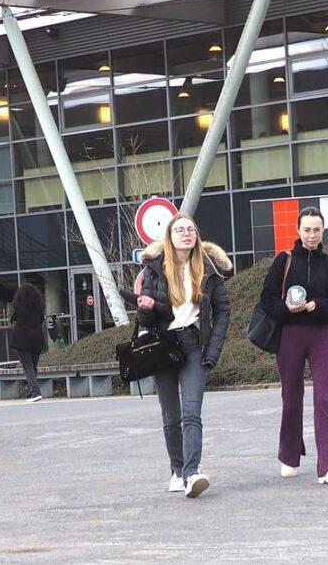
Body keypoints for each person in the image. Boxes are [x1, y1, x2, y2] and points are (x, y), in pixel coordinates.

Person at [137, 213, 231, 498]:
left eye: (191, 229)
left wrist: (212, 351)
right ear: (170, 236)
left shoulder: (209, 268)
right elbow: (144, 318)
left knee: (192, 413)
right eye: (180, 229)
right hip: (163, 345)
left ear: (196, 235)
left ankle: (192, 473)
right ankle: (177, 471)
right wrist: (146, 307)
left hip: (193, 346)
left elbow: (223, 310)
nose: (186, 233)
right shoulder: (155, 268)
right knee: (171, 415)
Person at [258, 207, 328, 485]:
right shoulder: (283, 261)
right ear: (298, 230)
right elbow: (266, 300)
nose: (312, 235)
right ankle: (289, 454)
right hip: (290, 335)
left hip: (320, 334)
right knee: (291, 396)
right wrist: (287, 308)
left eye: (317, 229)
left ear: (323, 231)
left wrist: (318, 305)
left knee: (324, 395)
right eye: (307, 229)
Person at [10, 283, 48, 403]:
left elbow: (13, 318)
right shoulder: (39, 306)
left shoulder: (19, 304)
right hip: (36, 339)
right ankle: (33, 392)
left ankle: (36, 393)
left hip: (22, 339)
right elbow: (42, 319)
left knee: (27, 366)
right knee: (33, 366)